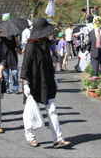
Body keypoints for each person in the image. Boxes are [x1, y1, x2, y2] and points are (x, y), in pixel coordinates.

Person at [21, 17, 71, 148]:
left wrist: (54, 78)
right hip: (33, 82)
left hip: (47, 80)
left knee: (52, 110)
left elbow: (49, 63)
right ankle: (30, 136)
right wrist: (25, 83)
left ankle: (58, 138)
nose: (48, 33)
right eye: (46, 31)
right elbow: (25, 64)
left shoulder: (46, 44)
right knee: (30, 110)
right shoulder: (31, 46)